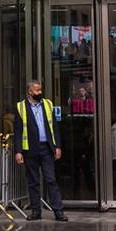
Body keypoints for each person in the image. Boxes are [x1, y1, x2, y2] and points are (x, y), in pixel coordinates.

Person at [14, 80, 68, 222]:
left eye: (40, 90)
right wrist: (18, 151)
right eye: (37, 91)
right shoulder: (21, 107)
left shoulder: (48, 104)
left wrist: (57, 146)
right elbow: (18, 131)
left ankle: (58, 211)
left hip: (46, 148)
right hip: (30, 149)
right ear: (29, 92)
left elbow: (54, 127)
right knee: (33, 182)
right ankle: (36, 212)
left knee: (51, 180)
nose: (40, 93)